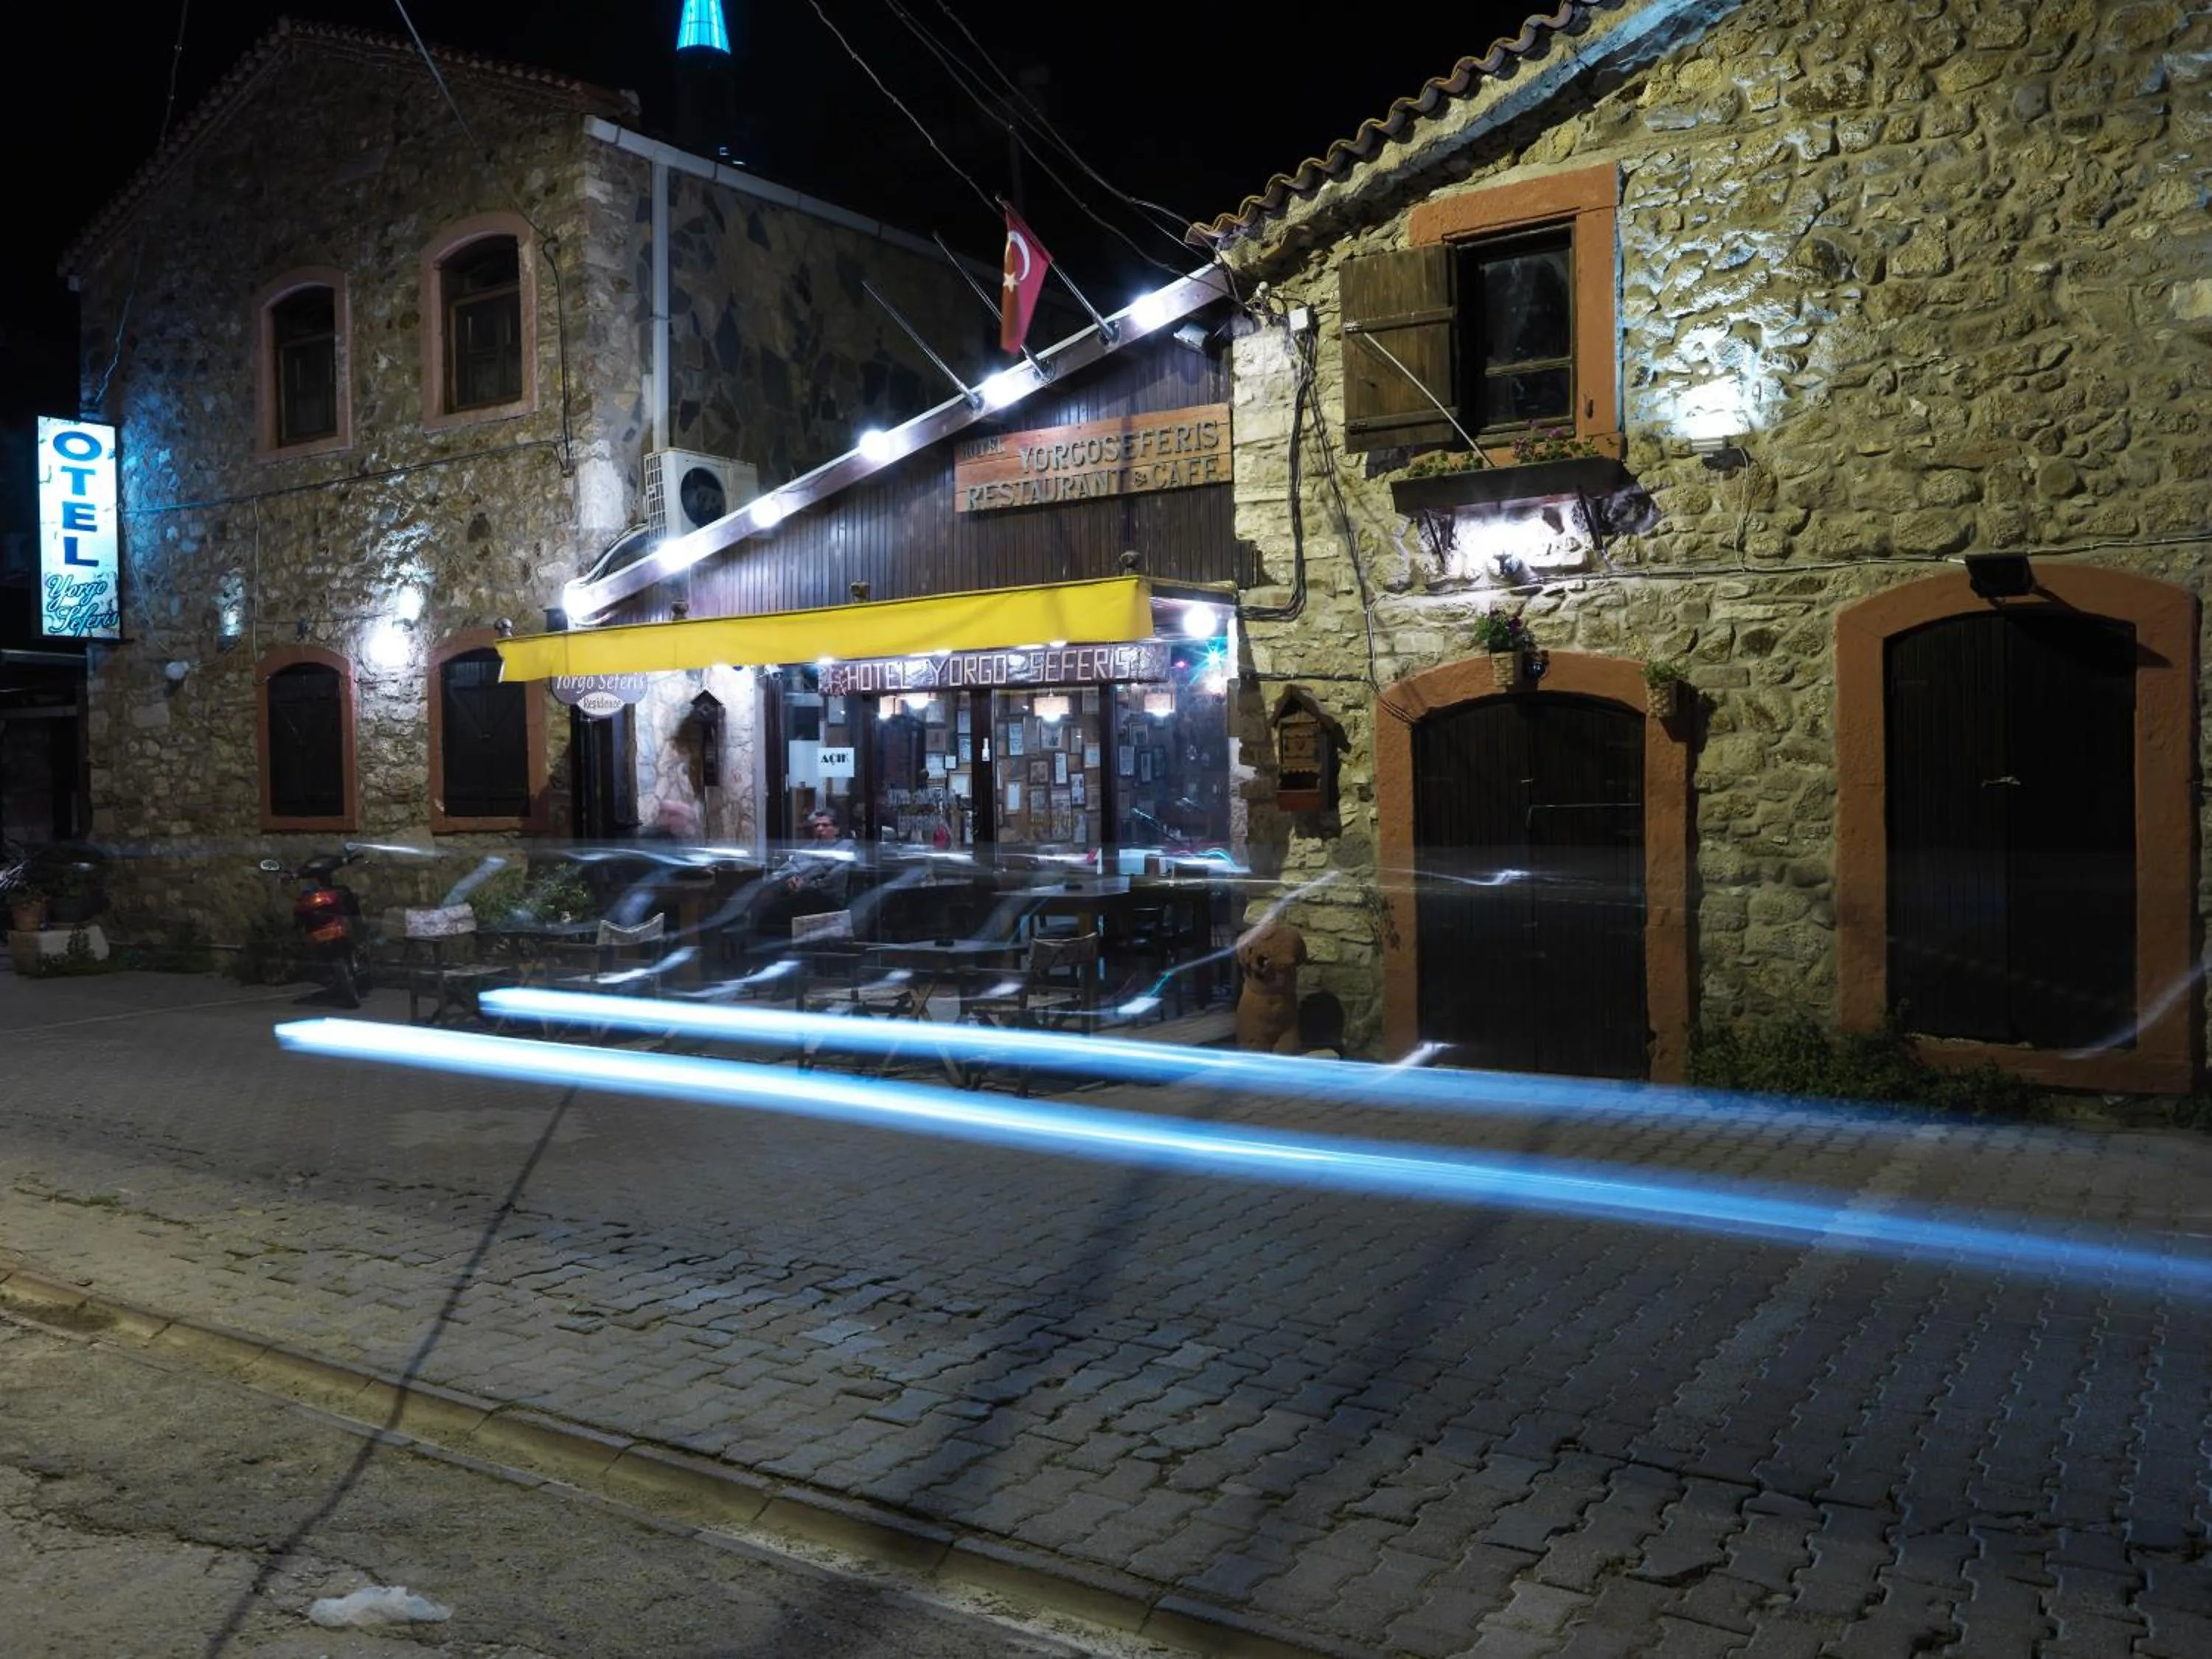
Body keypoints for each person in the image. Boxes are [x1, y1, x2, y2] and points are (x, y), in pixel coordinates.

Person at [736, 808, 855, 942]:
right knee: (765, 897)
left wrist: (805, 886)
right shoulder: (810, 848)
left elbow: (834, 883)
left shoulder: (845, 849)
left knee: (776, 914)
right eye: (816, 826)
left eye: (825, 825)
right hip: (800, 894)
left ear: (837, 829)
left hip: (826, 900)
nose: (820, 829)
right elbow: (791, 866)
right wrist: (789, 880)